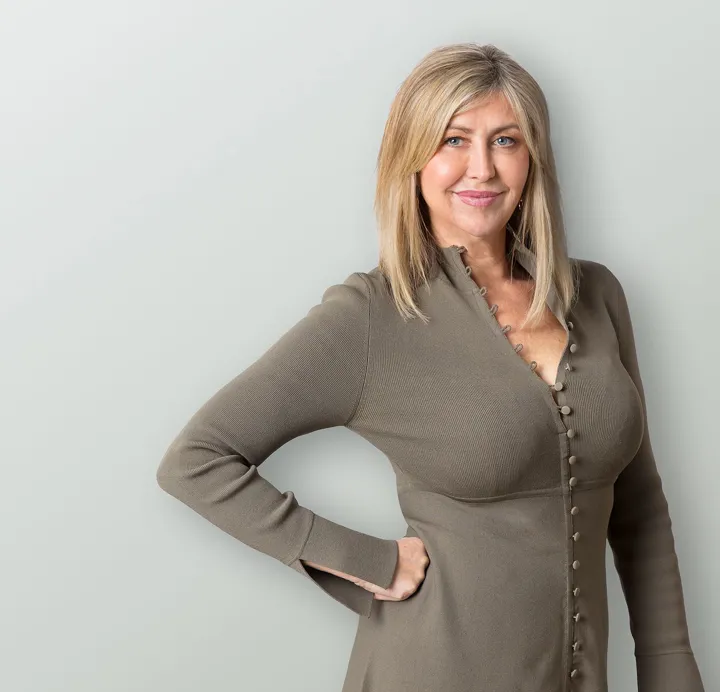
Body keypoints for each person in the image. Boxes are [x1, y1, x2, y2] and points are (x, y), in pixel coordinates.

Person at [156, 42, 705, 691]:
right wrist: (365, 560)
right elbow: (196, 460)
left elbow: (639, 506)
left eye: (506, 141)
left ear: (533, 157)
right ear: (413, 157)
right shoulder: (373, 317)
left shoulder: (596, 295)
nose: (482, 168)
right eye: (454, 140)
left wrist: (671, 668)